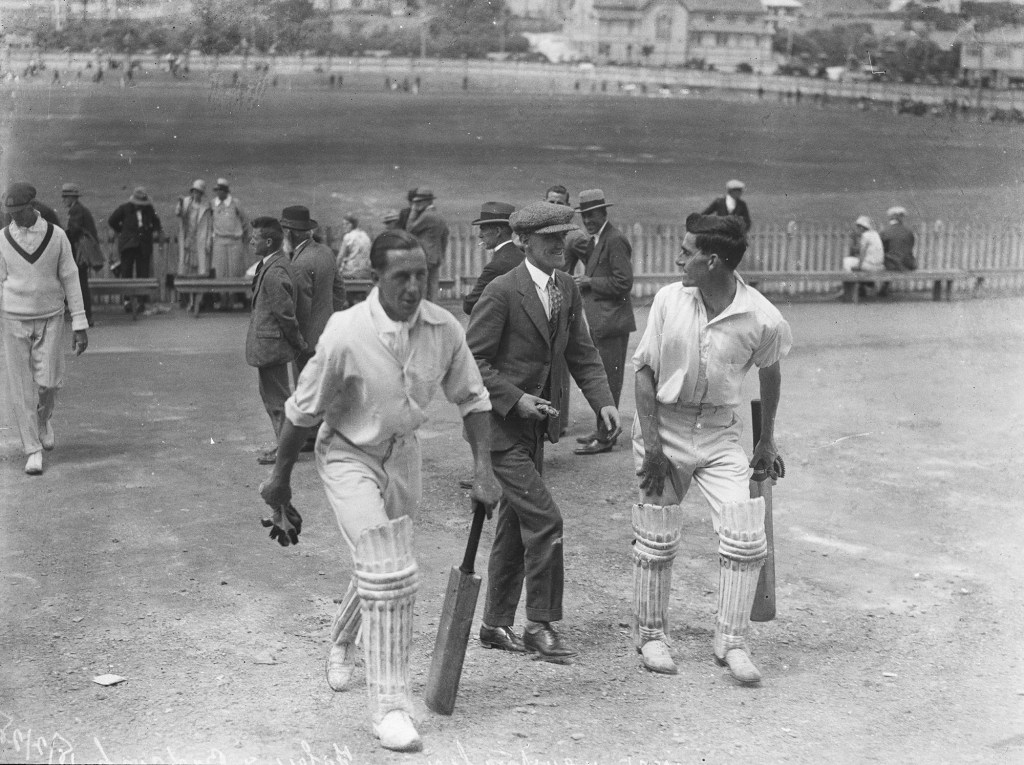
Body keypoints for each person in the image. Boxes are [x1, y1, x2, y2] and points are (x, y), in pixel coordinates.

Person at [259, 229, 501, 753]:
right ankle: (390, 707)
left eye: (422, 275)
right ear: (376, 278)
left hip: (403, 456)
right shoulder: (345, 332)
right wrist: (279, 480)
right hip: (347, 453)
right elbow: (301, 412)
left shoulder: (443, 328)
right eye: (402, 277)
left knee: (379, 563)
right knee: (390, 570)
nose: (415, 287)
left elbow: (474, 400)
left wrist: (483, 466)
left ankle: (341, 640)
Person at [631, 213, 791, 683]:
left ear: (714, 261)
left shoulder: (763, 317)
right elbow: (643, 372)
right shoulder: (669, 299)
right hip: (666, 427)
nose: (679, 258)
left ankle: (732, 640)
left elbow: (771, 372)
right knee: (656, 535)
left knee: (745, 534)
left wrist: (765, 440)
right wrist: (654, 447)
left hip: (721, 433)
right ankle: (651, 635)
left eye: (687, 251)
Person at [466, 201, 620, 661]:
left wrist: (604, 403)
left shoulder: (566, 288)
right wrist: (516, 398)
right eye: (549, 238)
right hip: (498, 433)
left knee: (516, 527)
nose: (560, 244)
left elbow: (581, 352)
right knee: (545, 519)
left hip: (534, 433)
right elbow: (472, 363)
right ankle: (540, 623)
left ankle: (494, 625)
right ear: (521, 242)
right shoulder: (501, 291)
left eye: (563, 235)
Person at [0, 182, 89, 476]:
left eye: (18, 212)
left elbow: (71, 277)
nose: (13, 218)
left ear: (32, 207)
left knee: (49, 381)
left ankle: (43, 419)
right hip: (14, 318)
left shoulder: (57, 236)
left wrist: (79, 324)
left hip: (51, 315)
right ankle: (33, 450)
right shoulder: (2, 238)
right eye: (9, 213)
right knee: (21, 387)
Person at [569, 189, 636, 456]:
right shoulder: (598, 240)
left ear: (603, 213)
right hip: (602, 322)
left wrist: (588, 282)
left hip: (612, 323)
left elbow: (624, 282)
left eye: (592, 215)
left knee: (608, 380)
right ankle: (602, 430)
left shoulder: (615, 240)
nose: (588, 221)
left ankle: (607, 436)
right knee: (603, 378)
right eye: (584, 216)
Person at [280, 205, 347, 459]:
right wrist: (332, 319)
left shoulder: (299, 262)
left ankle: (311, 436)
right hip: (327, 331)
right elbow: (339, 289)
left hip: (307, 337)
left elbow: (301, 307)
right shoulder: (326, 252)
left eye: (286, 230)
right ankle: (328, 432)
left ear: (292, 232)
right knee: (326, 383)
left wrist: (296, 336)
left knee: (306, 385)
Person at [245, 217, 307, 465]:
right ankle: (285, 447)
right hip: (269, 344)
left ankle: (286, 451)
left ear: (268, 242)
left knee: (277, 400)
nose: (251, 240)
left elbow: (285, 313)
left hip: (272, 344)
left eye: (255, 238)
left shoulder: (276, 270)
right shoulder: (272, 264)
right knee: (274, 397)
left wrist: (297, 342)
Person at [545, 185, 589, 438]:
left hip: (561, 301)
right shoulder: (538, 230)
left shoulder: (574, 237)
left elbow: (595, 262)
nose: (554, 206)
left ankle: (558, 422)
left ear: (567, 208)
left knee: (560, 362)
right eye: (551, 201)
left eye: (560, 203)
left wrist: (580, 282)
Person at [462, 201, 522, 316]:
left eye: (483, 229)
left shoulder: (496, 266)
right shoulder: (522, 256)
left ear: (498, 231)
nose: (480, 235)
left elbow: (470, 305)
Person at [107, 186, 162, 313]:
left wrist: (154, 231)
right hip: (128, 245)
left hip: (143, 245)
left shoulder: (148, 209)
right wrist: (123, 231)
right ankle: (127, 301)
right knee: (126, 272)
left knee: (143, 273)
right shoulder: (124, 208)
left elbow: (157, 222)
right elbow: (112, 220)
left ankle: (141, 302)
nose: (141, 206)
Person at [61, 183, 99, 327]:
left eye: (65, 196)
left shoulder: (76, 210)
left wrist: (61, 237)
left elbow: (74, 231)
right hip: (82, 253)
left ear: (72, 197)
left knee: (81, 285)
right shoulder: (79, 209)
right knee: (82, 284)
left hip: (79, 254)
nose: (63, 199)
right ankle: (87, 316)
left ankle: (87, 317)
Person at [210, 177, 250, 308]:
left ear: (226, 191)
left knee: (234, 271)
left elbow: (245, 221)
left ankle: (232, 300)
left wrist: (241, 235)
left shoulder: (235, 203)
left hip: (235, 241)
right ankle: (222, 300)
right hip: (219, 241)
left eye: (221, 190)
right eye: (217, 190)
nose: (218, 193)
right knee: (221, 271)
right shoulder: (213, 204)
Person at [405, 187, 449, 302]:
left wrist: (413, 211)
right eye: (415, 202)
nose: (416, 204)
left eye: (419, 202)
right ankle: (432, 312)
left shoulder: (427, 215)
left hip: (425, 256)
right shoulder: (440, 215)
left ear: (428, 202)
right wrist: (441, 254)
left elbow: (410, 229)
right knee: (433, 286)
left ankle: (423, 312)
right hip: (436, 256)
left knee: (423, 286)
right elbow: (445, 236)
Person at [174, 179, 212, 278]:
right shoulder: (186, 202)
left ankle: (197, 285)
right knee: (185, 260)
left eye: (198, 192)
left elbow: (208, 225)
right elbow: (179, 213)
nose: (196, 194)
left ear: (202, 193)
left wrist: (208, 240)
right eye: (194, 191)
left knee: (199, 262)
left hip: (199, 237)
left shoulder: (205, 207)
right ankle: (185, 283)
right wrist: (180, 203)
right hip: (187, 236)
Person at [843, 215, 885, 301]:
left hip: (871, 266)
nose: (857, 230)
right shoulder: (875, 234)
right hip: (879, 266)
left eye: (858, 227)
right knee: (852, 263)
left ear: (862, 228)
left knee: (846, 261)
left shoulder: (865, 236)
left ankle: (850, 291)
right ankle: (855, 288)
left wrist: (858, 266)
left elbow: (862, 253)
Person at [879, 206, 917, 297]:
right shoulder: (909, 231)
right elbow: (911, 247)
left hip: (891, 264)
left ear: (891, 217)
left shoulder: (885, 231)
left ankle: (883, 288)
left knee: (888, 260)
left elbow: (882, 249)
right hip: (907, 264)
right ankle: (884, 288)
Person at [337, 213, 372, 279]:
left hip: (351, 271)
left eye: (347, 224)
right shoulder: (365, 235)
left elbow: (340, 257)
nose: (344, 226)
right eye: (343, 224)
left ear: (352, 224)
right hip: (366, 271)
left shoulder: (348, 237)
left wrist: (335, 270)